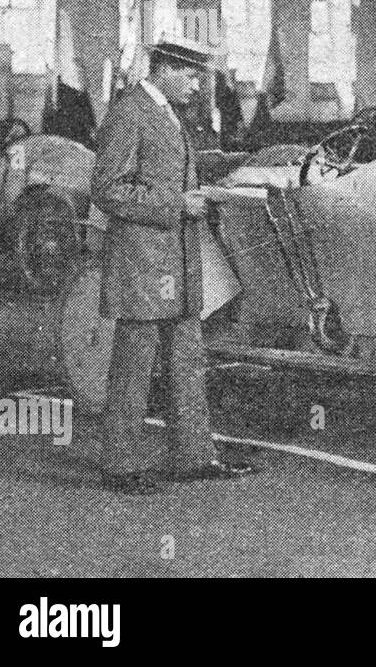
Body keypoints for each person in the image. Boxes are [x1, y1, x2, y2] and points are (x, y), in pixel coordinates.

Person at [91, 38, 256, 494]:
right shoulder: (130, 110)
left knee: (187, 361)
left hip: (176, 259)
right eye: (190, 76)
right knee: (134, 365)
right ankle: (119, 466)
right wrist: (177, 203)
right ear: (163, 68)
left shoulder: (163, 112)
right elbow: (107, 189)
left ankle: (194, 457)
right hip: (144, 262)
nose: (197, 87)